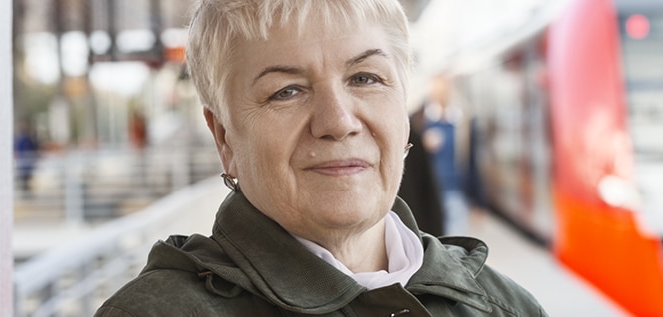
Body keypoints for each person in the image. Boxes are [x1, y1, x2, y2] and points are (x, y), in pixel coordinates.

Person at [95, 1, 546, 316]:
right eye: (285, 91)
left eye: (366, 78)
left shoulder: (508, 307)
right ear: (225, 138)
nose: (338, 121)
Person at [421, 75, 470, 235]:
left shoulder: (462, 122)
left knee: (455, 243)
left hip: (456, 191)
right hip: (431, 192)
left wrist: (480, 202)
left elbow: (471, 161)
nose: (440, 95)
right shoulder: (420, 121)